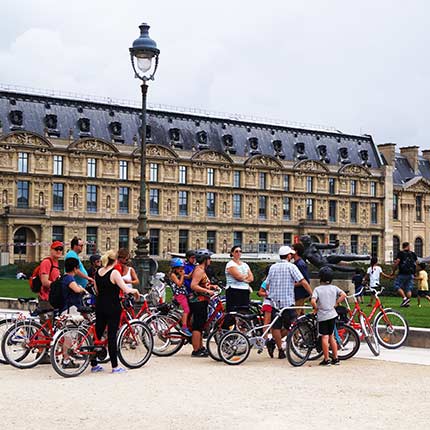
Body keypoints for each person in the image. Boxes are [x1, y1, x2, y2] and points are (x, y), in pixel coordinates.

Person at [91, 250, 139, 374]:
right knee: (112, 336)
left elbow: (96, 290)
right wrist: (135, 292)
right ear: (115, 260)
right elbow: (125, 289)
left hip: (100, 305)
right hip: (112, 306)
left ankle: (94, 363)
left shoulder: (98, 272)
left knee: (98, 333)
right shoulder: (114, 272)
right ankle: (114, 366)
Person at [266, 246, 312, 359]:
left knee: (275, 327)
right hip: (287, 302)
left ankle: (280, 349)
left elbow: (267, 283)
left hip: (274, 301)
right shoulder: (291, 267)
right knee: (292, 325)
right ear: (288, 256)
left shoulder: (273, 267)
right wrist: (312, 294)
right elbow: (303, 281)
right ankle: (278, 344)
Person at [311, 267, 347, 366]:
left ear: (320, 278)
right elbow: (343, 295)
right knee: (332, 336)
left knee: (324, 337)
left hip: (323, 316)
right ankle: (335, 358)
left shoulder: (317, 289)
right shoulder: (334, 288)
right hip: (332, 314)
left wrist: (315, 308)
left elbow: (313, 301)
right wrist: (336, 303)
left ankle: (326, 359)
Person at [189, 249, 217, 357]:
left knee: (201, 325)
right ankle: (196, 350)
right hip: (198, 301)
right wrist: (207, 291)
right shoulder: (199, 270)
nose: (210, 260)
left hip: (202, 300)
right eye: (209, 258)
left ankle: (200, 347)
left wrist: (212, 286)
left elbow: (202, 284)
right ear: (204, 259)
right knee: (198, 325)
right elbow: (194, 285)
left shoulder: (201, 269)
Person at [225, 245, 254, 312]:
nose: (238, 253)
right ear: (232, 253)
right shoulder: (230, 264)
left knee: (244, 310)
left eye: (240, 251)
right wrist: (246, 276)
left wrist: (243, 277)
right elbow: (239, 277)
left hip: (244, 290)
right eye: (236, 251)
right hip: (234, 290)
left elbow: (251, 278)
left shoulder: (245, 264)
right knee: (233, 311)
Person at [39, 241, 63, 322]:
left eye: (61, 249)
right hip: (46, 298)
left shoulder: (56, 263)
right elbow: (45, 282)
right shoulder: (47, 262)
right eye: (56, 249)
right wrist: (58, 287)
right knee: (46, 326)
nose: (59, 251)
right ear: (51, 250)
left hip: (53, 298)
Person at [169, 258, 192, 336]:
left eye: (182, 268)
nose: (182, 270)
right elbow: (179, 284)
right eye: (180, 268)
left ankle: (186, 323)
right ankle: (184, 327)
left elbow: (188, 276)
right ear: (174, 268)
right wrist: (182, 276)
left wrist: (195, 269)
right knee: (186, 310)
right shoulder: (173, 275)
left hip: (183, 294)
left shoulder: (179, 274)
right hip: (179, 295)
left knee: (188, 309)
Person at [391, 242, 417, 307]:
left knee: (396, 285)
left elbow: (397, 262)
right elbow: (416, 264)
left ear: (403, 246)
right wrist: (415, 272)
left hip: (402, 273)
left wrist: (393, 271)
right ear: (408, 246)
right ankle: (407, 302)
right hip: (411, 274)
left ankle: (405, 299)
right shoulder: (413, 254)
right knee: (408, 289)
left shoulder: (401, 253)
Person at [257, 265, 275, 357]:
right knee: (267, 322)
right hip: (268, 303)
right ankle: (265, 339)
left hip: (274, 303)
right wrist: (268, 294)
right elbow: (260, 292)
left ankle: (269, 339)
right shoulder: (266, 282)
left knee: (272, 323)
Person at [292, 242, 311, 313]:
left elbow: (304, 280)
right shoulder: (298, 263)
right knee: (301, 313)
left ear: (296, 251)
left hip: (300, 293)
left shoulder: (300, 264)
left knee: (296, 313)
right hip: (299, 293)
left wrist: (291, 284)